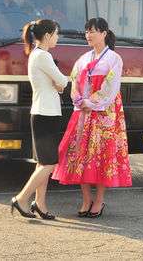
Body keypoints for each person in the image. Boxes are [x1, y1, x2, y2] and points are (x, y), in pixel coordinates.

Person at [52, 17, 131, 218]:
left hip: (104, 114)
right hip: (83, 114)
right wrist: (78, 100)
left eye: (93, 31)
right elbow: (74, 81)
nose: (88, 35)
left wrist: (91, 102)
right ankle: (86, 198)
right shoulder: (83, 59)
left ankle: (99, 200)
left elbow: (111, 88)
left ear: (104, 33)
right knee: (80, 156)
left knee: (102, 157)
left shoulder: (114, 59)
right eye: (87, 31)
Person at [10, 19, 69, 220]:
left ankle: (40, 204)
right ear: (47, 36)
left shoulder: (38, 55)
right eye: (56, 34)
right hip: (46, 114)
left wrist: (58, 84)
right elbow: (62, 82)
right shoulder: (43, 56)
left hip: (44, 112)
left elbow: (59, 84)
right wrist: (60, 83)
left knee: (43, 162)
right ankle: (21, 198)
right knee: (49, 164)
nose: (58, 38)